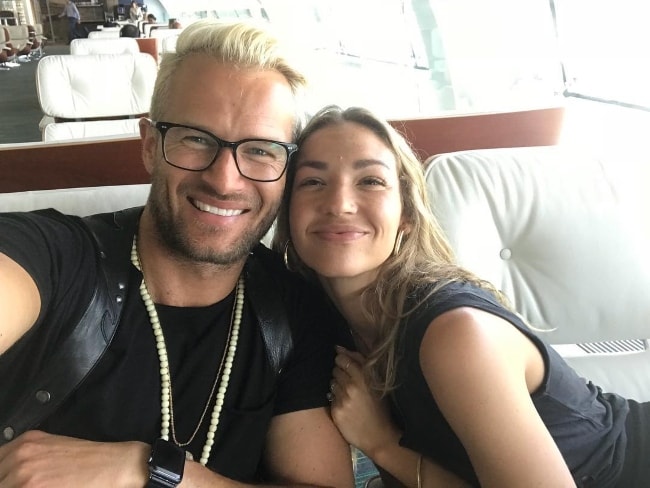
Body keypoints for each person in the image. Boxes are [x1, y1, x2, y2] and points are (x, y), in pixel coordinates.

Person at [0, 22, 354, 488]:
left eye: (261, 150)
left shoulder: (293, 316)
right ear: (150, 146)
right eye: (196, 139)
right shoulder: (55, 258)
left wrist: (156, 472)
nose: (226, 180)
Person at [273, 105, 650, 488]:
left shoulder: (454, 332)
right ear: (287, 210)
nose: (339, 204)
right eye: (313, 182)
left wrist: (383, 443)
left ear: (406, 215)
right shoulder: (318, 326)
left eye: (370, 181)